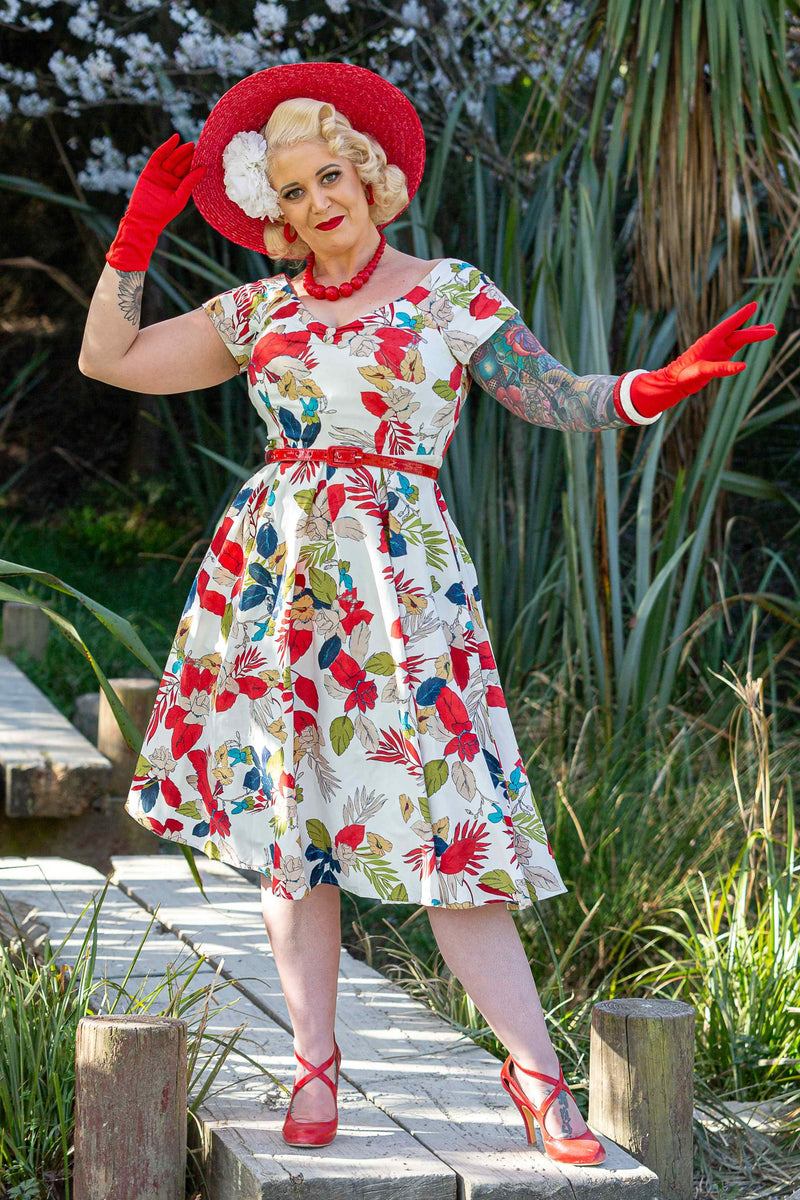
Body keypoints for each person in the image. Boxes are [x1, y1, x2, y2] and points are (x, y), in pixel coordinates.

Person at [78, 62, 776, 1164]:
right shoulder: (257, 312)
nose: (319, 202)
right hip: (274, 586)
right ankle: (314, 1063)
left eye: (332, 175)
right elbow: (106, 357)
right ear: (277, 213)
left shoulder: (448, 294)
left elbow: (558, 396)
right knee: (291, 842)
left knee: (453, 838)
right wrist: (139, 229)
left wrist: (651, 388)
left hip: (404, 593)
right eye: (294, 191)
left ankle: (535, 1076)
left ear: (371, 176)